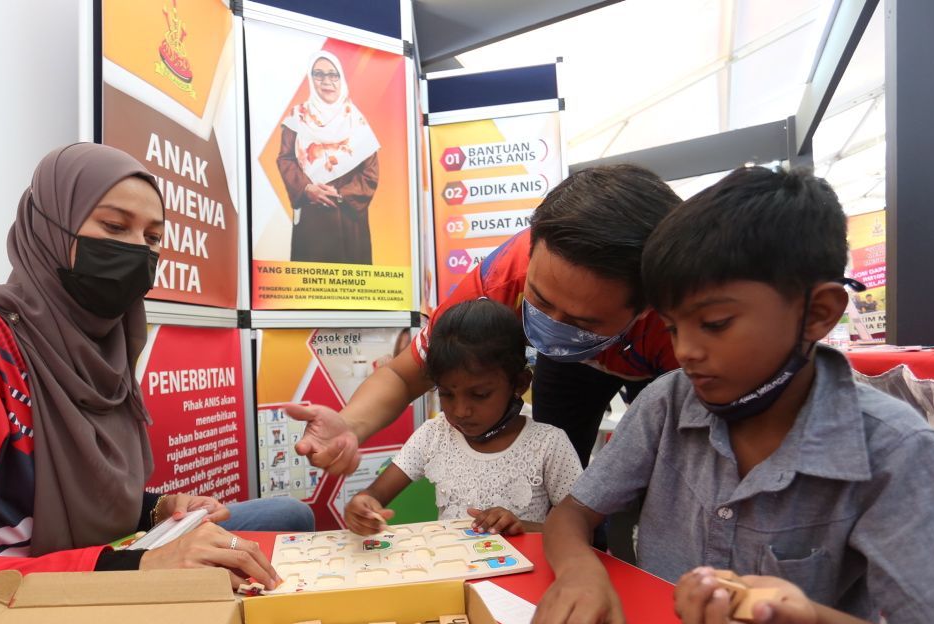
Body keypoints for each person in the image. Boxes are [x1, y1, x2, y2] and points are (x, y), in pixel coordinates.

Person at [528, 166, 934, 624]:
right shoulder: (669, 404)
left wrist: (809, 621)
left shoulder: (891, 450)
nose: (687, 351)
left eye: (714, 323)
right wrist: (580, 570)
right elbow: (572, 514)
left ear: (817, 313)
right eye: (672, 328)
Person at [0, 143, 313, 624]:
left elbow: (63, 489)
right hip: (27, 604)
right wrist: (135, 571)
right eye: (114, 228)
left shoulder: (104, 340)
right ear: (51, 227)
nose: (137, 250)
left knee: (287, 513)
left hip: (107, 563)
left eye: (153, 237)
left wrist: (157, 508)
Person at [285, 164, 681, 477]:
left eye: (582, 321)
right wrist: (350, 427)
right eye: (540, 300)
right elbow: (406, 375)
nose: (552, 323)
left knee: (669, 469)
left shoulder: (682, 316)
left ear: (649, 304)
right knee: (563, 471)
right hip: (567, 374)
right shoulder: (501, 277)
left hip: (658, 367)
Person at [344, 300, 581, 536]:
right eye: (446, 394)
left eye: (479, 395)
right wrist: (362, 507)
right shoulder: (434, 434)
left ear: (519, 384)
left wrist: (522, 527)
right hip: (454, 571)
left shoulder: (549, 445)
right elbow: (374, 495)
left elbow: (578, 530)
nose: (460, 411)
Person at [276, 50, 379, 265]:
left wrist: (340, 194)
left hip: (350, 220)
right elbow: (286, 158)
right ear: (311, 79)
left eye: (333, 75)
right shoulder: (298, 117)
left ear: (341, 78)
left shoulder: (356, 120)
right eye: (319, 74)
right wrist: (306, 189)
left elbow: (370, 174)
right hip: (313, 220)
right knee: (310, 289)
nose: (327, 81)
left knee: (354, 291)